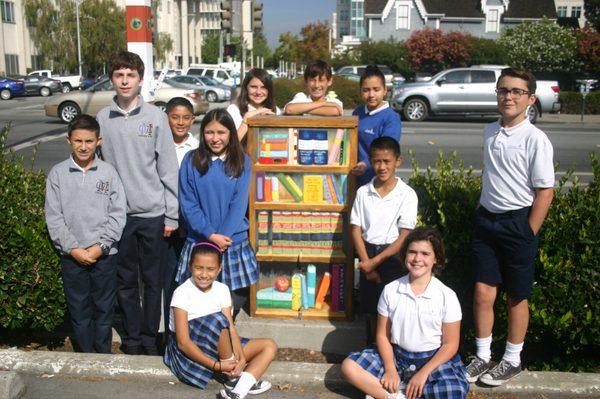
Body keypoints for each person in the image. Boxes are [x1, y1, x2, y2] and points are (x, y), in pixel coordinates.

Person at [466, 68, 554, 386]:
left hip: (518, 223)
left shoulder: (536, 139)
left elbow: (545, 190)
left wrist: (528, 230)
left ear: (530, 99)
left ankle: (512, 360)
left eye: (517, 91)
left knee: (516, 296)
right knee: (482, 291)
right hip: (487, 221)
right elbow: (492, 174)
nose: (509, 96)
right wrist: (481, 206)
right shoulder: (489, 131)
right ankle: (482, 355)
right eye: (503, 90)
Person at [97, 51, 180, 356]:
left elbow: (168, 169)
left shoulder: (156, 118)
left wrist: (172, 215)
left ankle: (150, 337)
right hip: (119, 217)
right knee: (126, 282)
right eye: (119, 75)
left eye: (130, 75)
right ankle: (132, 339)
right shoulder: (103, 119)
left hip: (153, 214)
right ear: (112, 80)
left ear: (141, 80)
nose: (124, 81)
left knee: (153, 281)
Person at [342, 228, 469, 399]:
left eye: (425, 254)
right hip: (396, 355)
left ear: (436, 259)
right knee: (349, 368)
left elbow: (450, 344)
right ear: (404, 255)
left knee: (453, 391)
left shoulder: (446, 296)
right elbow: (382, 336)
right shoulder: (391, 290)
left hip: (432, 360)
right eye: (412, 252)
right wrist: (390, 369)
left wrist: (423, 374)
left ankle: (399, 390)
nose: (417, 259)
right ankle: (395, 396)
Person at [44, 115, 126, 353]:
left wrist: (101, 245)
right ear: (68, 140)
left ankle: (101, 354)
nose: (83, 146)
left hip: (105, 255)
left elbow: (118, 213)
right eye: (78, 140)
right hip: (73, 256)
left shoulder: (109, 173)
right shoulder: (58, 174)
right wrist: (73, 248)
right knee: (79, 310)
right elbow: (54, 216)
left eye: (89, 141)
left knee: (103, 309)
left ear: (98, 141)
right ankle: (84, 354)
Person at [164, 242, 277, 399]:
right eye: (199, 268)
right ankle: (233, 377)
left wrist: (242, 358)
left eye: (210, 269)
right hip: (192, 351)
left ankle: (238, 389)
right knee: (219, 320)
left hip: (222, 346)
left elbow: (230, 328)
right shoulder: (182, 293)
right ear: (190, 267)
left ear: (219, 269)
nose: (204, 274)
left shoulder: (222, 289)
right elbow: (183, 342)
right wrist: (216, 365)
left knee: (269, 346)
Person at [177, 108, 257, 319]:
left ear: (231, 133)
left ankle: (226, 347)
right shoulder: (191, 160)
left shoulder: (242, 161)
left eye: (221, 132)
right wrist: (210, 235)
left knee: (228, 306)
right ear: (202, 134)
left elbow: (238, 205)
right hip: (200, 241)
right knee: (198, 303)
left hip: (231, 243)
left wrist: (221, 238)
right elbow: (188, 203)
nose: (215, 138)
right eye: (209, 132)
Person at [351, 136, 418, 345]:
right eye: (377, 161)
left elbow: (405, 235)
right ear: (371, 162)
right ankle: (372, 347)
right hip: (367, 253)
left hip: (393, 256)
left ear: (398, 161)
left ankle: (393, 349)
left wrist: (375, 262)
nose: (381, 167)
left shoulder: (406, 194)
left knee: (393, 307)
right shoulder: (363, 192)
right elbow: (355, 228)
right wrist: (367, 263)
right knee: (370, 308)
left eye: (387, 161)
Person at [163, 97, 199, 335]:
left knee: (185, 276)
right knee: (166, 276)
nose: (180, 122)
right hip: (165, 219)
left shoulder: (196, 148)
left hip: (188, 221)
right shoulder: (161, 144)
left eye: (186, 118)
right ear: (166, 118)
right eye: (175, 117)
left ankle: (186, 328)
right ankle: (166, 330)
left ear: (193, 120)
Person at [351, 65, 402, 187]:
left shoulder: (391, 118)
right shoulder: (357, 112)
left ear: (385, 90)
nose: (371, 94)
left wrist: (365, 165)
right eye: (366, 90)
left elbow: (387, 152)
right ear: (360, 91)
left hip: (379, 179)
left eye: (376, 89)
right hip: (355, 176)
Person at [226, 68, 281, 144]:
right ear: (246, 88)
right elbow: (231, 145)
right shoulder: (234, 110)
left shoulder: (276, 110)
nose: (258, 92)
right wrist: (248, 118)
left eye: (263, 87)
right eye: (254, 87)